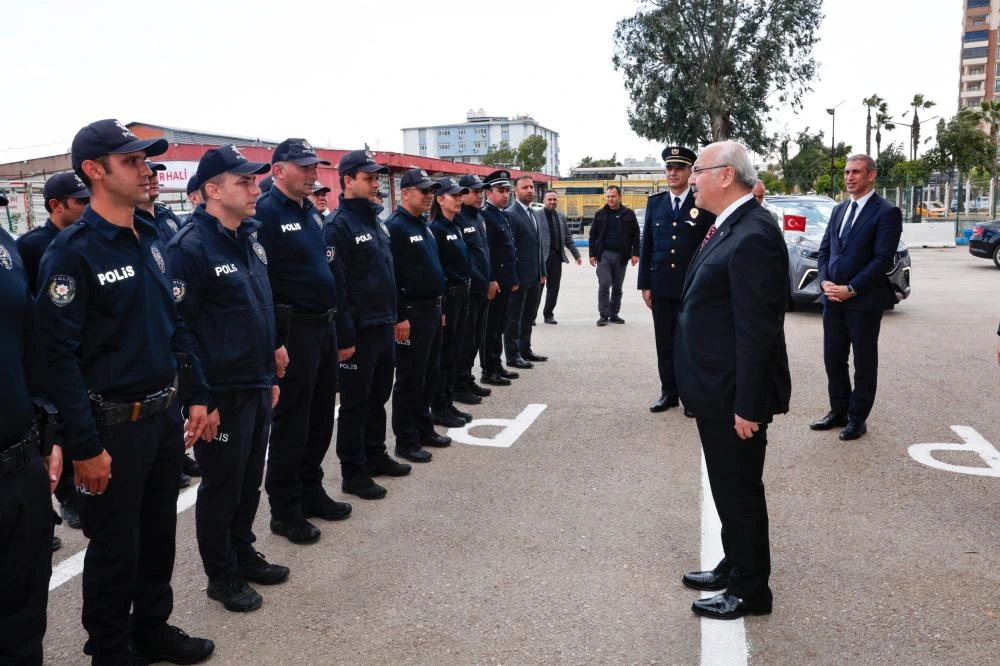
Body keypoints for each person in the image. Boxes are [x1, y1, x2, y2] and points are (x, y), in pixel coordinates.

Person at [35, 119, 215, 664]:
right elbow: (56, 359)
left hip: (162, 418)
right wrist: (85, 446)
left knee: (159, 535)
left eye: (146, 161)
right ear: (94, 171)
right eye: (133, 161)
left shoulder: (153, 237)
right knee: (116, 549)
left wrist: (199, 393)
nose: (147, 170)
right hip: (111, 426)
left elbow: (175, 325)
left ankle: (152, 628)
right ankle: (111, 649)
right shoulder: (72, 253)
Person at [168, 145, 290, 613]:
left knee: (246, 481)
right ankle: (221, 576)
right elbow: (183, 332)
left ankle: (243, 552)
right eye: (244, 181)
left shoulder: (249, 239)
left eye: (254, 180)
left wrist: (269, 364)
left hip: (255, 382)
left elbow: (255, 308)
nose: (255, 187)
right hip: (221, 392)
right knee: (220, 487)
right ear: (213, 190)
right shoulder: (190, 248)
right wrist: (203, 399)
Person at [675, 140, 790, 621]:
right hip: (716, 386)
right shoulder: (729, 224)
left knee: (740, 489)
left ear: (726, 175)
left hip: (733, 394)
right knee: (727, 485)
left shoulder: (753, 233)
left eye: (698, 170)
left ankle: (750, 590)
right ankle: (735, 562)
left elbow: (757, 331)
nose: (691, 178)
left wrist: (748, 405)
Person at [255, 138, 351, 546]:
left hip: (323, 327)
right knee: (292, 423)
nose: (314, 173)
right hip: (294, 332)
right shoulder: (265, 214)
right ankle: (285, 508)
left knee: (317, 418)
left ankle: (311, 490)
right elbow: (262, 282)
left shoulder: (309, 214)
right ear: (278, 171)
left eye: (316, 166)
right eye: (305, 167)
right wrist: (275, 339)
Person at [327, 149, 411, 500]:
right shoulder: (338, 225)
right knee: (356, 403)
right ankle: (353, 471)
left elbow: (387, 274)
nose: (376, 183)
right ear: (347, 181)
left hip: (382, 325)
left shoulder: (376, 220)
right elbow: (338, 285)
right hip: (358, 332)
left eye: (377, 177)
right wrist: (345, 335)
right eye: (368, 177)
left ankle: (375, 454)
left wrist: (394, 315)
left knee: (378, 397)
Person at [15, 172, 90, 544]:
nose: (87, 206)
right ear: (56, 206)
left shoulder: (86, 240)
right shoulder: (32, 246)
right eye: (79, 201)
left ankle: (74, 492)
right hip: (46, 353)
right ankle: (64, 499)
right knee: (53, 430)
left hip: (79, 351)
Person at [1, 217, 62, 664]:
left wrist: (47, 434)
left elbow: (28, 341)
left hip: (20, 461)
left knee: (24, 617)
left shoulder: (3, 244)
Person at [810, 154, 903, 441]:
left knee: (864, 362)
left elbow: (882, 259)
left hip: (862, 302)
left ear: (872, 175)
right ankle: (838, 410)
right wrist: (825, 279)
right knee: (833, 358)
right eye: (847, 172)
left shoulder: (886, 212)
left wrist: (851, 289)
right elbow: (825, 250)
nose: (849, 177)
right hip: (832, 299)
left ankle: (857, 418)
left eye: (856, 172)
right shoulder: (838, 210)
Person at [637, 147, 715, 415]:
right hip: (661, 286)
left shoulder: (701, 202)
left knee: (691, 343)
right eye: (669, 168)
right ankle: (668, 392)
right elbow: (647, 244)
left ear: (689, 172)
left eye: (679, 168)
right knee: (665, 343)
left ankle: (691, 397)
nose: (672, 173)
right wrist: (645, 284)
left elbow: (709, 247)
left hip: (690, 287)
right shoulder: (655, 203)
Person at [386, 169, 450, 463]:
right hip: (411, 313)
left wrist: (441, 309)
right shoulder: (395, 227)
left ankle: (424, 428)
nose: (429, 196)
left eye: (431, 191)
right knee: (410, 379)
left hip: (431, 310)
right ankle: (406, 439)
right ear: (406, 192)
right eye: (423, 191)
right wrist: (400, 316)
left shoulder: (422, 225)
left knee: (429, 374)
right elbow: (391, 276)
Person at [429, 177, 475, 427]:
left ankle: (447, 403)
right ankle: (439, 406)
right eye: (453, 195)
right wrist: (443, 306)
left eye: (460, 195)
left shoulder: (454, 226)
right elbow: (438, 271)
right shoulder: (435, 229)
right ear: (439, 199)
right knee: (444, 355)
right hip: (448, 297)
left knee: (455, 351)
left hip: (462, 294)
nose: (459, 199)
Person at [454, 173, 496, 403]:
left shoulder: (479, 218)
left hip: (482, 288)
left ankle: (468, 377)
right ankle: (459, 384)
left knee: (476, 339)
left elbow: (484, 253)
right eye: (475, 191)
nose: (479, 195)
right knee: (465, 340)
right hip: (468, 292)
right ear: (463, 193)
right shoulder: (459, 218)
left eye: (481, 191)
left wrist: (490, 278)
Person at [479, 170, 520, 386]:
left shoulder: (502, 214)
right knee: (491, 327)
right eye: (500, 191)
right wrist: (491, 279)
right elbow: (487, 253)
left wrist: (513, 278)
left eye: (507, 191)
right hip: (495, 282)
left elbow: (509, 251)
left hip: (505, 280)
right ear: (489, 193)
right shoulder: (486, 216)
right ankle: (488, 369)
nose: (506, 195)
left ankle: (496, 364)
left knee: (500, 325)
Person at [504, 175, 548, 367]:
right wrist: (513, 277)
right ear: (516, 191)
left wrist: (542, 271)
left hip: (535, 276)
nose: (529, 190)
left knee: (529, 315)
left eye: (531, 187)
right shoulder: (511, 214)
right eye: (524, 188)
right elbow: (510, 249)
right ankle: (513, 355)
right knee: (514, 317)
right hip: (519, 278)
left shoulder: (535, 213)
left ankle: (525, 349)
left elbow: (538, 246)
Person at [589, 185, 640, 326]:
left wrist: (636, 253)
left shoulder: (629, 214)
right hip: (604, 255)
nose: (610, 199)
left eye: (613, 196)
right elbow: (593, 235)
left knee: (617, 287)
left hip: (622, 256)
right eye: (608, 196)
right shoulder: (600, 214)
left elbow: (636, 235)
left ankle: (614, 313)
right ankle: (604, 314)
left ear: (619, 197)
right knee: (604, 283)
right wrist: (592, 254)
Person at [540, 190, 581, 325]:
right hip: (541, 258)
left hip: (556, 258)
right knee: (537, 288)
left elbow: (568, 237)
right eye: (549, 200)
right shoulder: (537, 215)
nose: (552, 202)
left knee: (554, 288)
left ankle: (548, 314)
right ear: (544, 201)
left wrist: (576, 254)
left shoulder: (560, 216)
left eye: (554, 200)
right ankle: (531, 316)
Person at [137, 160, 184, 244]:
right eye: (149, 176)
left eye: (155, 175)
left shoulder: (168, 215)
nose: (155, 181)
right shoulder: (131, 220)